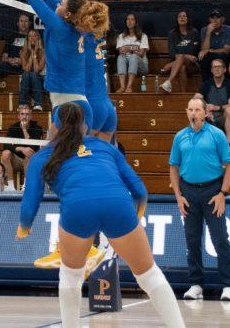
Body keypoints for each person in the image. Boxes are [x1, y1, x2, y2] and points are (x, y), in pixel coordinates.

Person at [23, 104, 186, 327]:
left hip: (78, 210)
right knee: (149, 274)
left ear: (54, 125)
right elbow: (140, 191)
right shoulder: (106, 147)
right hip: (117, 204)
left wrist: (25, 225)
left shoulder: (42, 156)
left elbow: (31, 199)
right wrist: (134, 218)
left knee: (70, 276)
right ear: (87, 125)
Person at [0, 0, 106, 127]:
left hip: (68, 106)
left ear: (66, 13)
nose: (58, 1)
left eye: (61, 3)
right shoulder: (73, 20)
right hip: (80, 101)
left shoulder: (60, 28)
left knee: (60, 155)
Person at [168, 97, 230, 303]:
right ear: (186, 111)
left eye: (197, 110)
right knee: (192, 240)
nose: (193, 113)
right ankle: (196, 284)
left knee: (220, 239)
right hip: (189, 192)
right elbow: (173, 167)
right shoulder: (180, 136)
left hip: (212, 191)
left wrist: (222, 193)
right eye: (190, 109)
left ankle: (228, 286)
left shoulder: (217, 135)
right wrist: (178, 196)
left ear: (205, 112)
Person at [191, 58, 230, 149]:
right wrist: (205, 110)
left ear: (224, 69)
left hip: (224, 118)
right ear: (211, 70)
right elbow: (196, 98)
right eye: (214, 67)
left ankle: (229, 144)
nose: (217, 69)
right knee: (196, 109)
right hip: (209, 117)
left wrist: (217, 107)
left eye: (219, 67)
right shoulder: (207, 84)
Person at [0, 13, 31, 93]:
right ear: (18, 23)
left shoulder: (32, 37)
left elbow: (35, 55)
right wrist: (9, 60)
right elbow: (4, 57)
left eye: (26, 21)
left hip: (24, 67)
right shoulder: (11, 37)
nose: (23, 24)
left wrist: (22, 61)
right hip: (10, 66)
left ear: (29, 24)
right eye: (21, 21)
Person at [1, 105, 44, 188]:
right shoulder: (13, 127)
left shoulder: (37, 128)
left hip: (30, 160)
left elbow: (35, 147)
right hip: (16, 160)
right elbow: (6, 145)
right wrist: (21, 148)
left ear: (31, 116)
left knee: (29, 152)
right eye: (22, 114)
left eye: (27, 114)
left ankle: (26, 185)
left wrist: (24, 130)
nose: (25, 117)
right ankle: (10, 186)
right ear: (18, 116)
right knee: (5, 153)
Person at [160, 11, 200, 93]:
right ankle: (183, 94)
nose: (182, 18)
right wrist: (186, 56)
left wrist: (171, 64)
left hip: (192, 65)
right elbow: (172, 54)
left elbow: (194, 55)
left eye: (184, 16)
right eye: (180, 16)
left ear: (188, 19)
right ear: (177, 19)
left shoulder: (194, 32)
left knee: (181, 57)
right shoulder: (172, 34)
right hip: (177, 65)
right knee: (182, 67)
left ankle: (168, 82)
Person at [115, 13, 149, 94]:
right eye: (128, 19)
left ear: (136, 22)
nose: (129, 21)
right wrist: (131, 49)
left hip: (141, 67)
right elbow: (121, 51)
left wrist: (128, 49)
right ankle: (122, 86)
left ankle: (129, 86)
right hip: (126, 66)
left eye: (132, 19)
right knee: (120, 57)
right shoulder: (121, 36)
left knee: (134, 56)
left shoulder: (143, 36)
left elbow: (141, 54)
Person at [19, 29, 46, 110]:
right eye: (30, 36)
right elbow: (26, 69)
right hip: (27, 80)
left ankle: (38, 104)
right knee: (26, 74)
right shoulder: (23, 52)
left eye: (34, 35)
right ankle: (23, 104)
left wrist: (35, 53)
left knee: (33, 74)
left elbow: (37, 69)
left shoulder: (44, 51)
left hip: (41, 79)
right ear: (27, 39)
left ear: (38, 38)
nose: (32, 38)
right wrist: (31, 53)